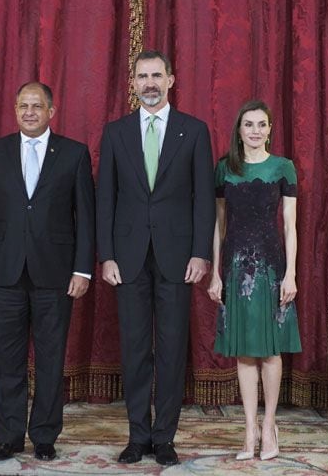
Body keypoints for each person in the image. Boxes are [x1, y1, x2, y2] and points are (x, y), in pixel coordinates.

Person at [96, 50, 215, 466]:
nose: (149, 83)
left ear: (171, 80)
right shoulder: (115, 133)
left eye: (156, 75)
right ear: (132, 83)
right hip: (127, 257)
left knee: (170, 349)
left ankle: (164, 437)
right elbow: (104, 199)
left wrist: (201, 252)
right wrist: (106, 255)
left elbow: (204, 199)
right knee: (133, 348)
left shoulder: (195, 131)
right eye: (142, 76)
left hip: (178, 257)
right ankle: (137, 436)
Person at [0, 82, 95, 462]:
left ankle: (44, 435)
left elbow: (85, 218)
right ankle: (8, 436)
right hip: (3, 273)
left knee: (51, 359)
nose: (29, 112)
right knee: (6, 360)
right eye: (22, 105)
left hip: (55, 275)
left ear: (51, 111)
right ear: (15, 109)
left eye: (36, 106)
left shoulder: (73, 154)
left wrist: (83, 270)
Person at [207, 100, 301, 461]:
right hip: (234, 268)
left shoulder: (283, 167)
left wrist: (291, 273)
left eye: (262, 124)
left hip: (271, 268)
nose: (256, 131)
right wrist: (215, 272)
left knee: (270, 350)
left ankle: (270, 426)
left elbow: (290, 226)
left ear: (270, 129)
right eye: (249, 125)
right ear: (239, 130)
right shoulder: (224, 169)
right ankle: (249, 430)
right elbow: (219, 225)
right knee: (244, 350)